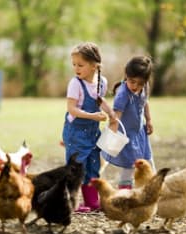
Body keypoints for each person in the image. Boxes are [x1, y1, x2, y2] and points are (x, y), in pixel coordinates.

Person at [62, 42, 115, 213]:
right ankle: (73, 203)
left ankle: (92, 202)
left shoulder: (102, 82)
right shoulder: (75, 84)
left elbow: (99, 101)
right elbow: (72, 109)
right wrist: (94, 116)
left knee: (93, 165)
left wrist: (111, 114)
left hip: (92, 132)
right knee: (76, 168)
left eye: (80, 65)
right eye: (74, 65)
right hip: (76, 132)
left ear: (94, 66)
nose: (76, 68)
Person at [102, 55, 156, 189]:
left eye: (140, 83)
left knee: (148, 162)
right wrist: (111, 137)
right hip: (126, 137)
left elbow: (145, 103)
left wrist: (148, 120)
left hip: (139, 134)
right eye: (132, 82)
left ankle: (153, 190)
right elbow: (115, 118)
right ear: (126, 75)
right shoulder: (123, 94)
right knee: (129, 167)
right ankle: (124, 195)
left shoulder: (144, 87)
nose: (136, 86)